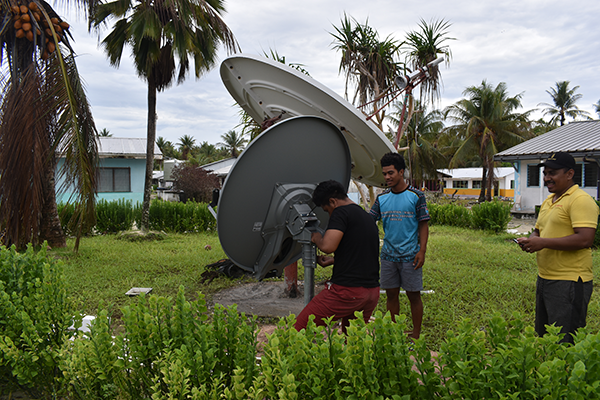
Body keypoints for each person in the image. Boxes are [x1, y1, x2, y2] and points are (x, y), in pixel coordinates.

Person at [517, 152, 599, 344]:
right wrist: (531, 241)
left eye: (552, 173)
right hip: (545, 278)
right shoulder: (549, 201)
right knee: (547, 337)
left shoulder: (580, 200)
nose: (546, 178)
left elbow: (585, 239)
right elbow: (538, 231)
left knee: (566, 340)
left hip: (570, 281)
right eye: (545, 173)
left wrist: (543, 243)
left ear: (570, 174)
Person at [294, 180, 380, 333]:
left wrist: (316, 237)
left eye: (327, 210)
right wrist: (335, 260)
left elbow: (328, 246)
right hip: (371, 292)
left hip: (347, 292)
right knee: (353, 340)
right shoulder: (363, 215)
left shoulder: (341, 212)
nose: (329, 214)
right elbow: (362, 251)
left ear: (332, 201)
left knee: (300, 329)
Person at [369, 152, 430, 339]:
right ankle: (394, 333)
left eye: (391, 173)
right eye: (385, 173)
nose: (387, 177)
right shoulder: (382, 199)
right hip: (388, 256)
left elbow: (423, 224)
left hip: (411, 256)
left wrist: (422, 251)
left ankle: (416, 334)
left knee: (414, 296)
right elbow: (369, 221)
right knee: (391, 295)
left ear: (401, 172)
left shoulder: (416, 196)